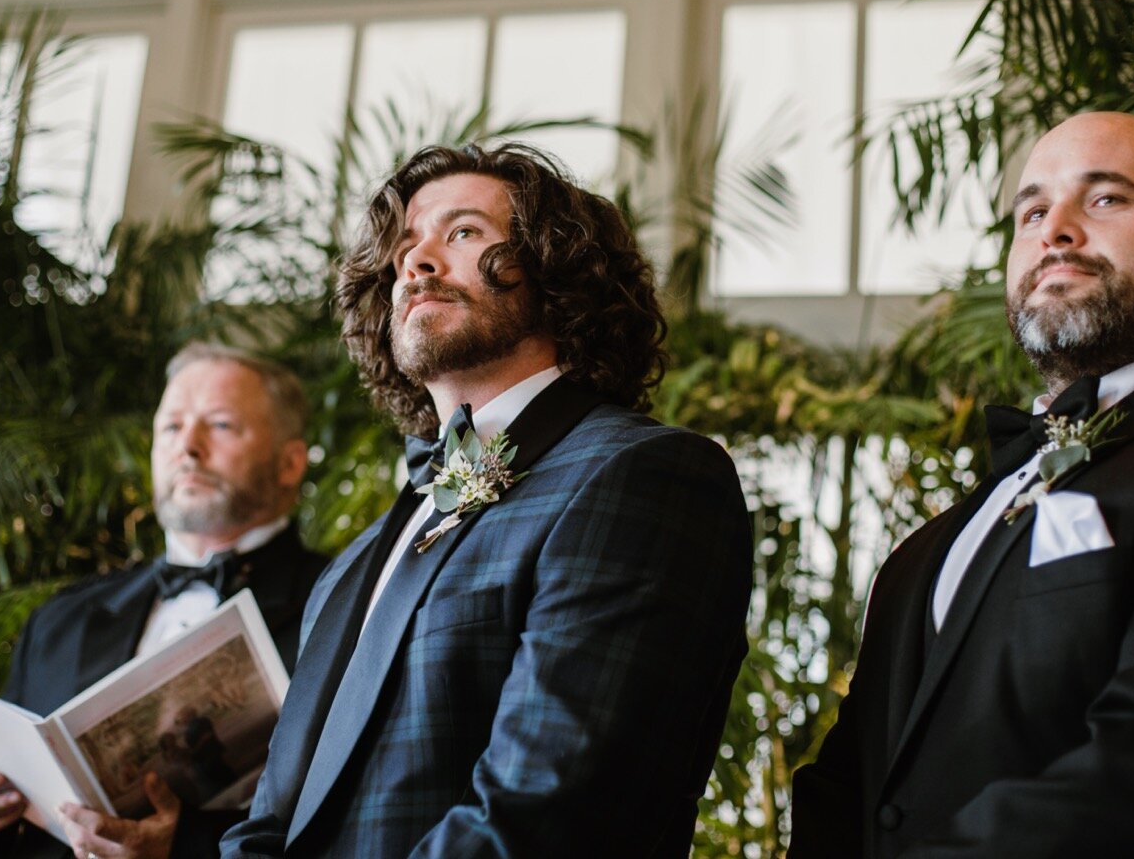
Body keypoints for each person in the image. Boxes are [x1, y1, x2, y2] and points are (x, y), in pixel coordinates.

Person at [221, 143, 752, 857]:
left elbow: (547, 812)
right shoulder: (354, 563)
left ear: (558, 268)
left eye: (463, 232)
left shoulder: (645, 474)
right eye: (404, 247)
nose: (417, 262)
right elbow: (272, 821)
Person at [788, 112, 1134, 857]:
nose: (1058, 231)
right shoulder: (925, 551)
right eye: (1033, 212)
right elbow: (848, 788)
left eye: (1106, 199)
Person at [0, 343, 330, 859]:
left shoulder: (346, 602)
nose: (189, 447)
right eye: (172, 427)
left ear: (290, 463)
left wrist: (183, 848)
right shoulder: (63, 619)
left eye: (220, 425)